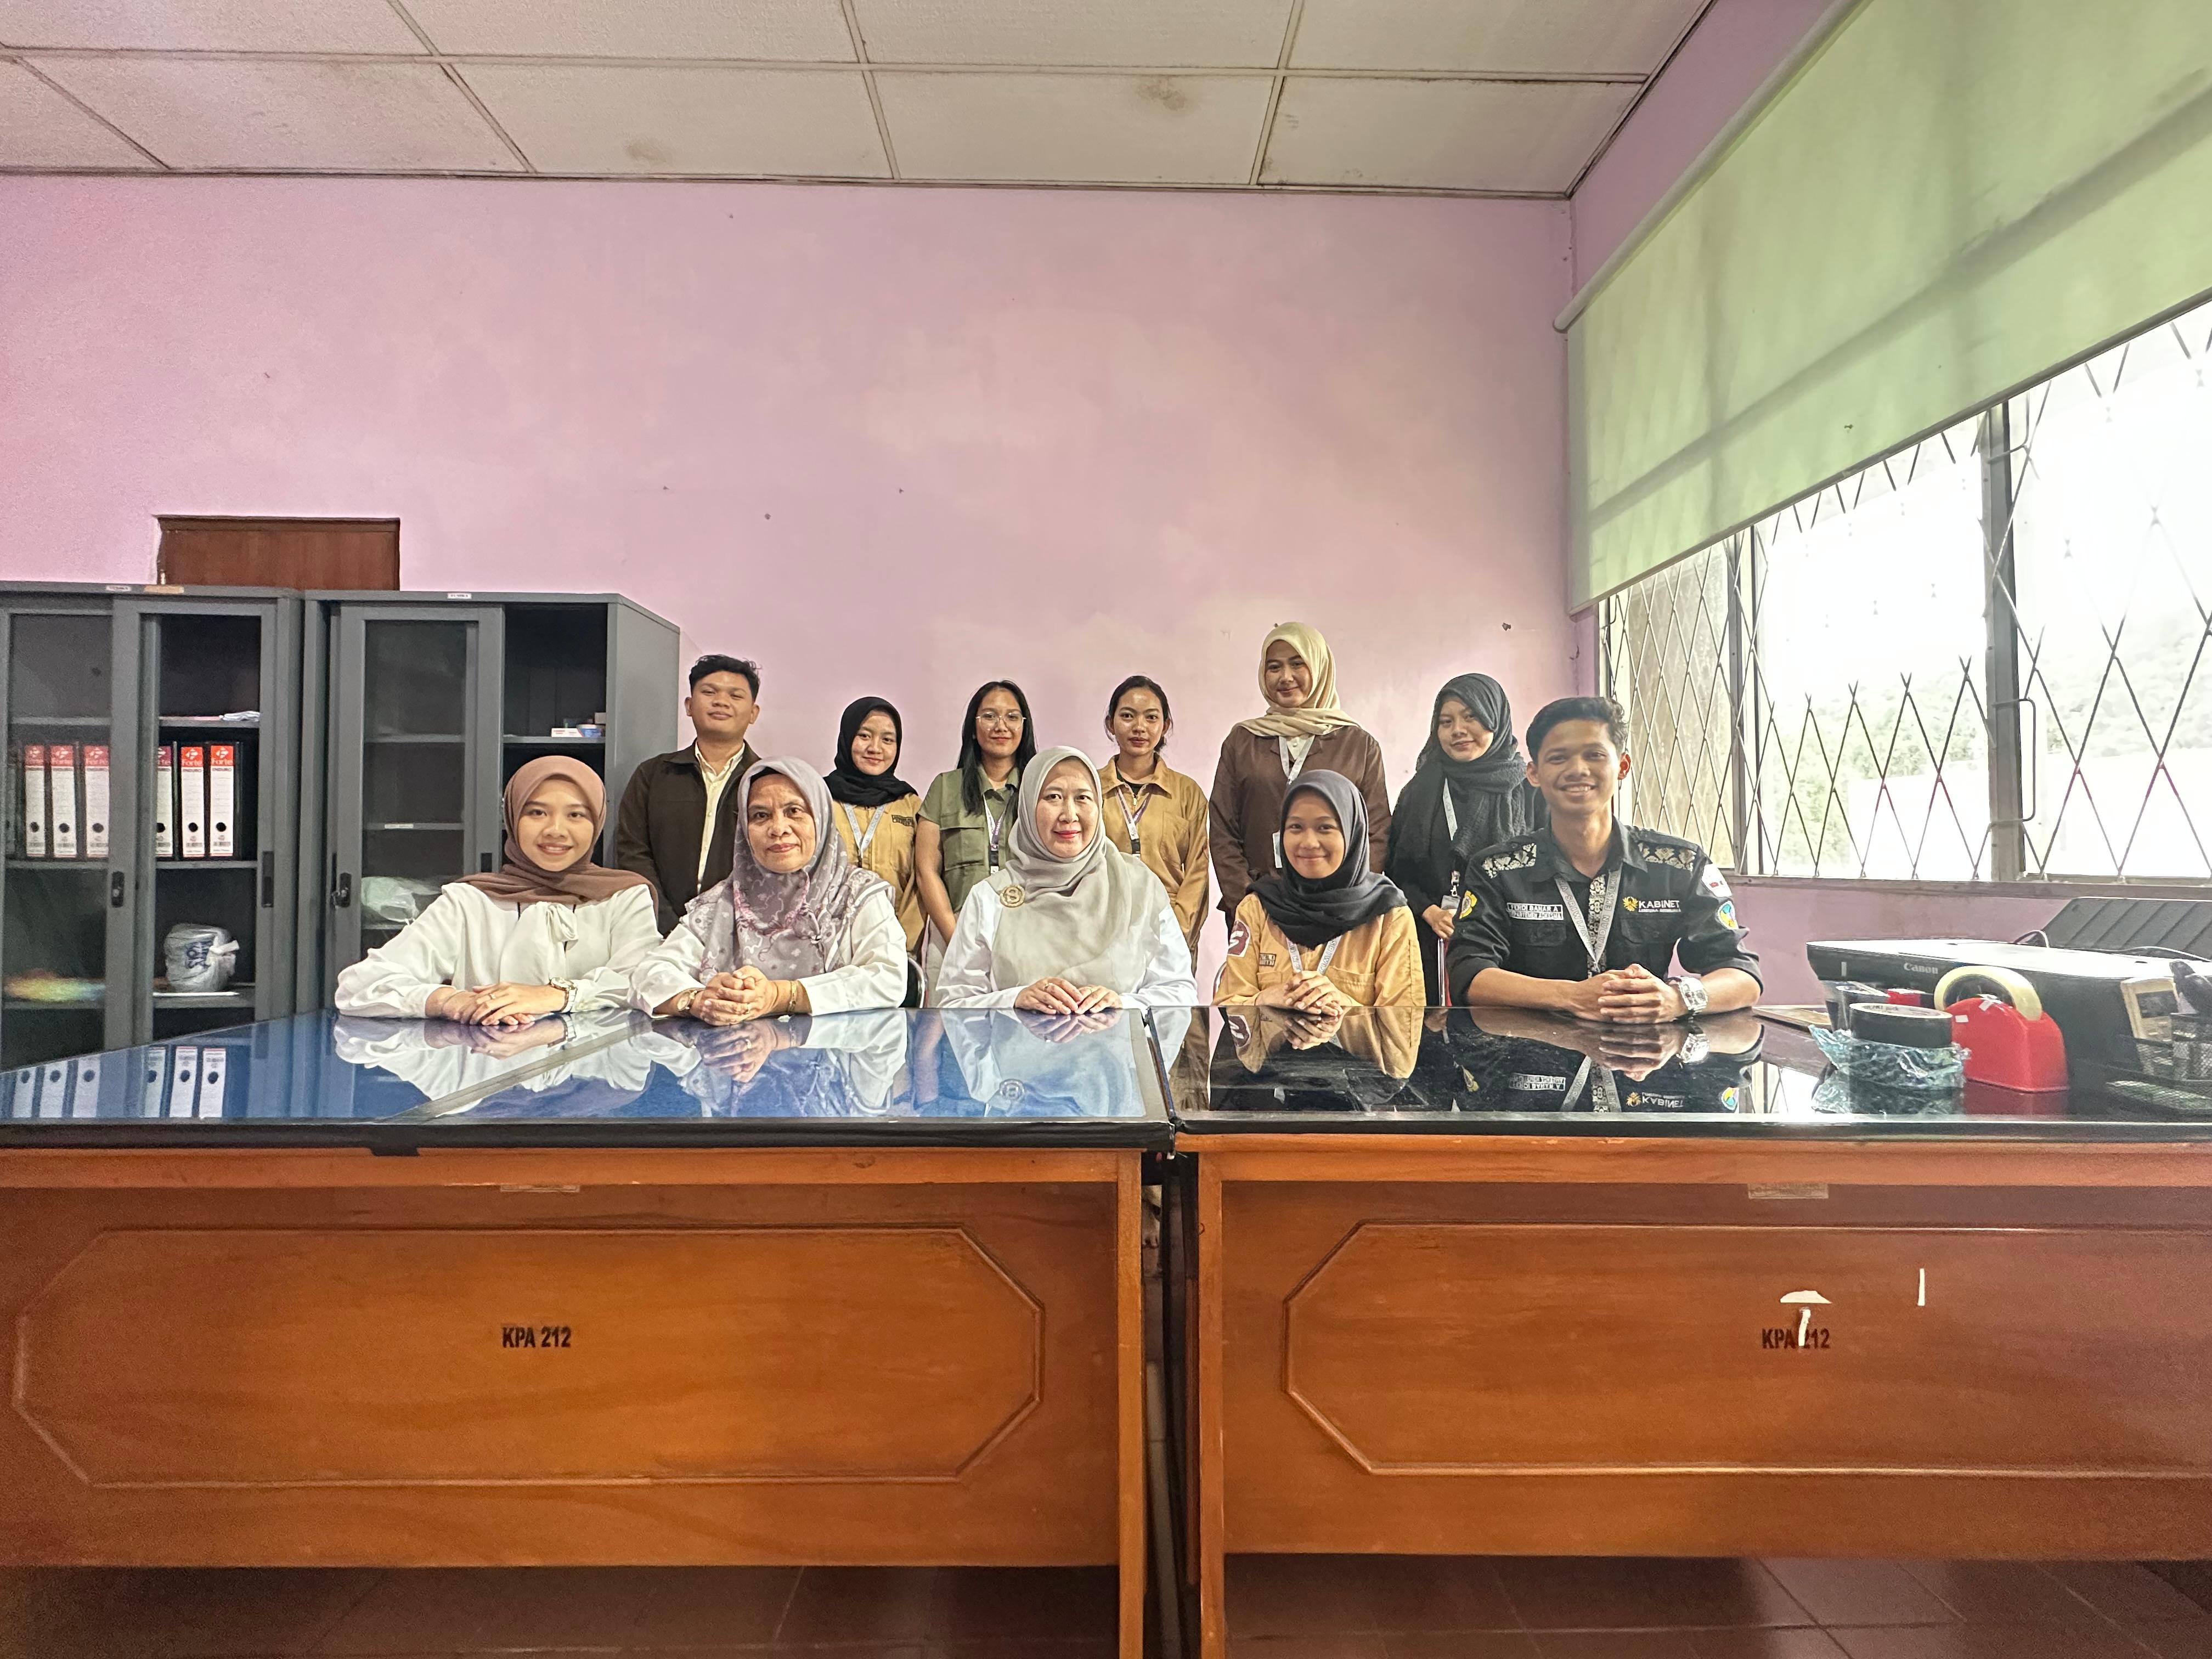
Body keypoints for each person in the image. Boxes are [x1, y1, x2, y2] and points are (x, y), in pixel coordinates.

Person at [1447, 697, 1760, 1022]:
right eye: (1558, 758)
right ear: (1534, 774)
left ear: (1622, 766)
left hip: (1644, 1048)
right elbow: (1468, 973)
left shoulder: (1680, 864)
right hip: (1530, 1047)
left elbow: (1742, 975)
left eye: (1594, 755)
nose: (1577, 770)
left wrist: (1677, 999)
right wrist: (1571, 997)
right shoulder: (1496, 869)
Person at [336, 757, 659, 1020]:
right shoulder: (469, 901)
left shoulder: (624, 897)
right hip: (486, 1064)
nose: (555, 830)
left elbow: (644, 982)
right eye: (537, 812)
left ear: (597, 822)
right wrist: (449, 1001)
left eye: (576, 815)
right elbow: (360, 986)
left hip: (592, 1071)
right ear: (512, 818)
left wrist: (555, 995)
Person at [631, 757, 907, 1022]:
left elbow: (888, 978)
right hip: (738, 1051)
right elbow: (647, 975)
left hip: (837, 1052)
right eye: (761, 816)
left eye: (794, 811)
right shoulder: (723, 903)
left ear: (821, 817)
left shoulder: (857, 894)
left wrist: (782, 995)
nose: (778, 829)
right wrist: (698, 1000)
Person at [936, 746, 1197, 1011]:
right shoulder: (990, 897)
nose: (1069, 815)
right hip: (1020, 1039)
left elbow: (1179, 992)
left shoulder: (1139, 887)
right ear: (1027, 806)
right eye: (1053, 797)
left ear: (1099, 806)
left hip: (1119, 1039)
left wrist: (1124, 1005)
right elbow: (954, 1003)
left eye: (1083, 798)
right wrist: (1014, 1000)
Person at [1209, 622, 1390, 933]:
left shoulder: (1358, 745)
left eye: (1297, 664)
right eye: (1274, 667)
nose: (1285, 677)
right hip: (1257, 905)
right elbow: (1223, 828)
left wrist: (1347, 899)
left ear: (1319, 668)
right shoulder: (1243, 741)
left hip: (1337, 910)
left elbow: (1377, 830)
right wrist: (1246, 902)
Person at [1384, 673, 1545, 1004]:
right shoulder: (1420, 790)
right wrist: (1428, 910)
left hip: (1510, 942)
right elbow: (1397, 870)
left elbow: (1544, 869)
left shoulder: (1529, 790)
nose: (1457, 730)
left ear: (1495, 718)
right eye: (1446, 722)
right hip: (1431, 941)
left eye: (1471, 717)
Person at [1215, 770, 1423, 1013]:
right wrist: (1265, 999)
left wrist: (1344, 1008)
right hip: (1272, 1040)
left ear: (1352, 832)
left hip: (1355, 1041)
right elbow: (1228, 1003)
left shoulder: (1389, 916)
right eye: (1296, 827)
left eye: (1325, 828)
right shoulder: (1258, 908)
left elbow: (1405, 1021)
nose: (1309, 843)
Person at [616, 654, 764, 933]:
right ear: (689, 706)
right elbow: (632, 853)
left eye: (735, 695)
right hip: (657, 929)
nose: (721, 701)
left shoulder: (766, 781)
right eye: (709, 692)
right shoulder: (653, 774)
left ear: (753, 713)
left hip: (741, 933)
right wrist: (668, 925)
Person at [916, 680, 1035, 992]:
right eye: (990, 716)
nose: (1001, 726)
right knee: (950, 1021)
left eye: (1012, 717)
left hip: (1027, 934)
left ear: (1024, 727)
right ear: (973, 727)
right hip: (954, 931)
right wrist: (957, 938)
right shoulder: (945, 787)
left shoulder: (1039, 790)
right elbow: (926, 870)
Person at [1098, 675, 1209, 957]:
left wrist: (1176, 933)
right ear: (1110, 724)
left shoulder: (1187, 792)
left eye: (1151, 718)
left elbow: (1198, 869)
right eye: (1127, 716)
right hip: (1105, 929)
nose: (1139, 727)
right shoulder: (1090, 788)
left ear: (1165, 726)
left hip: (1169, 928)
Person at [826, 696, 926, 994]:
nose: (875, 748)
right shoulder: (819, 798)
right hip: (828, 947)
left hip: (894, 952)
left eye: (887, 740)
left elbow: (920, 882)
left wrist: (900, 945)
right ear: (847, 738)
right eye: (864, 735)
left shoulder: (910, 804)